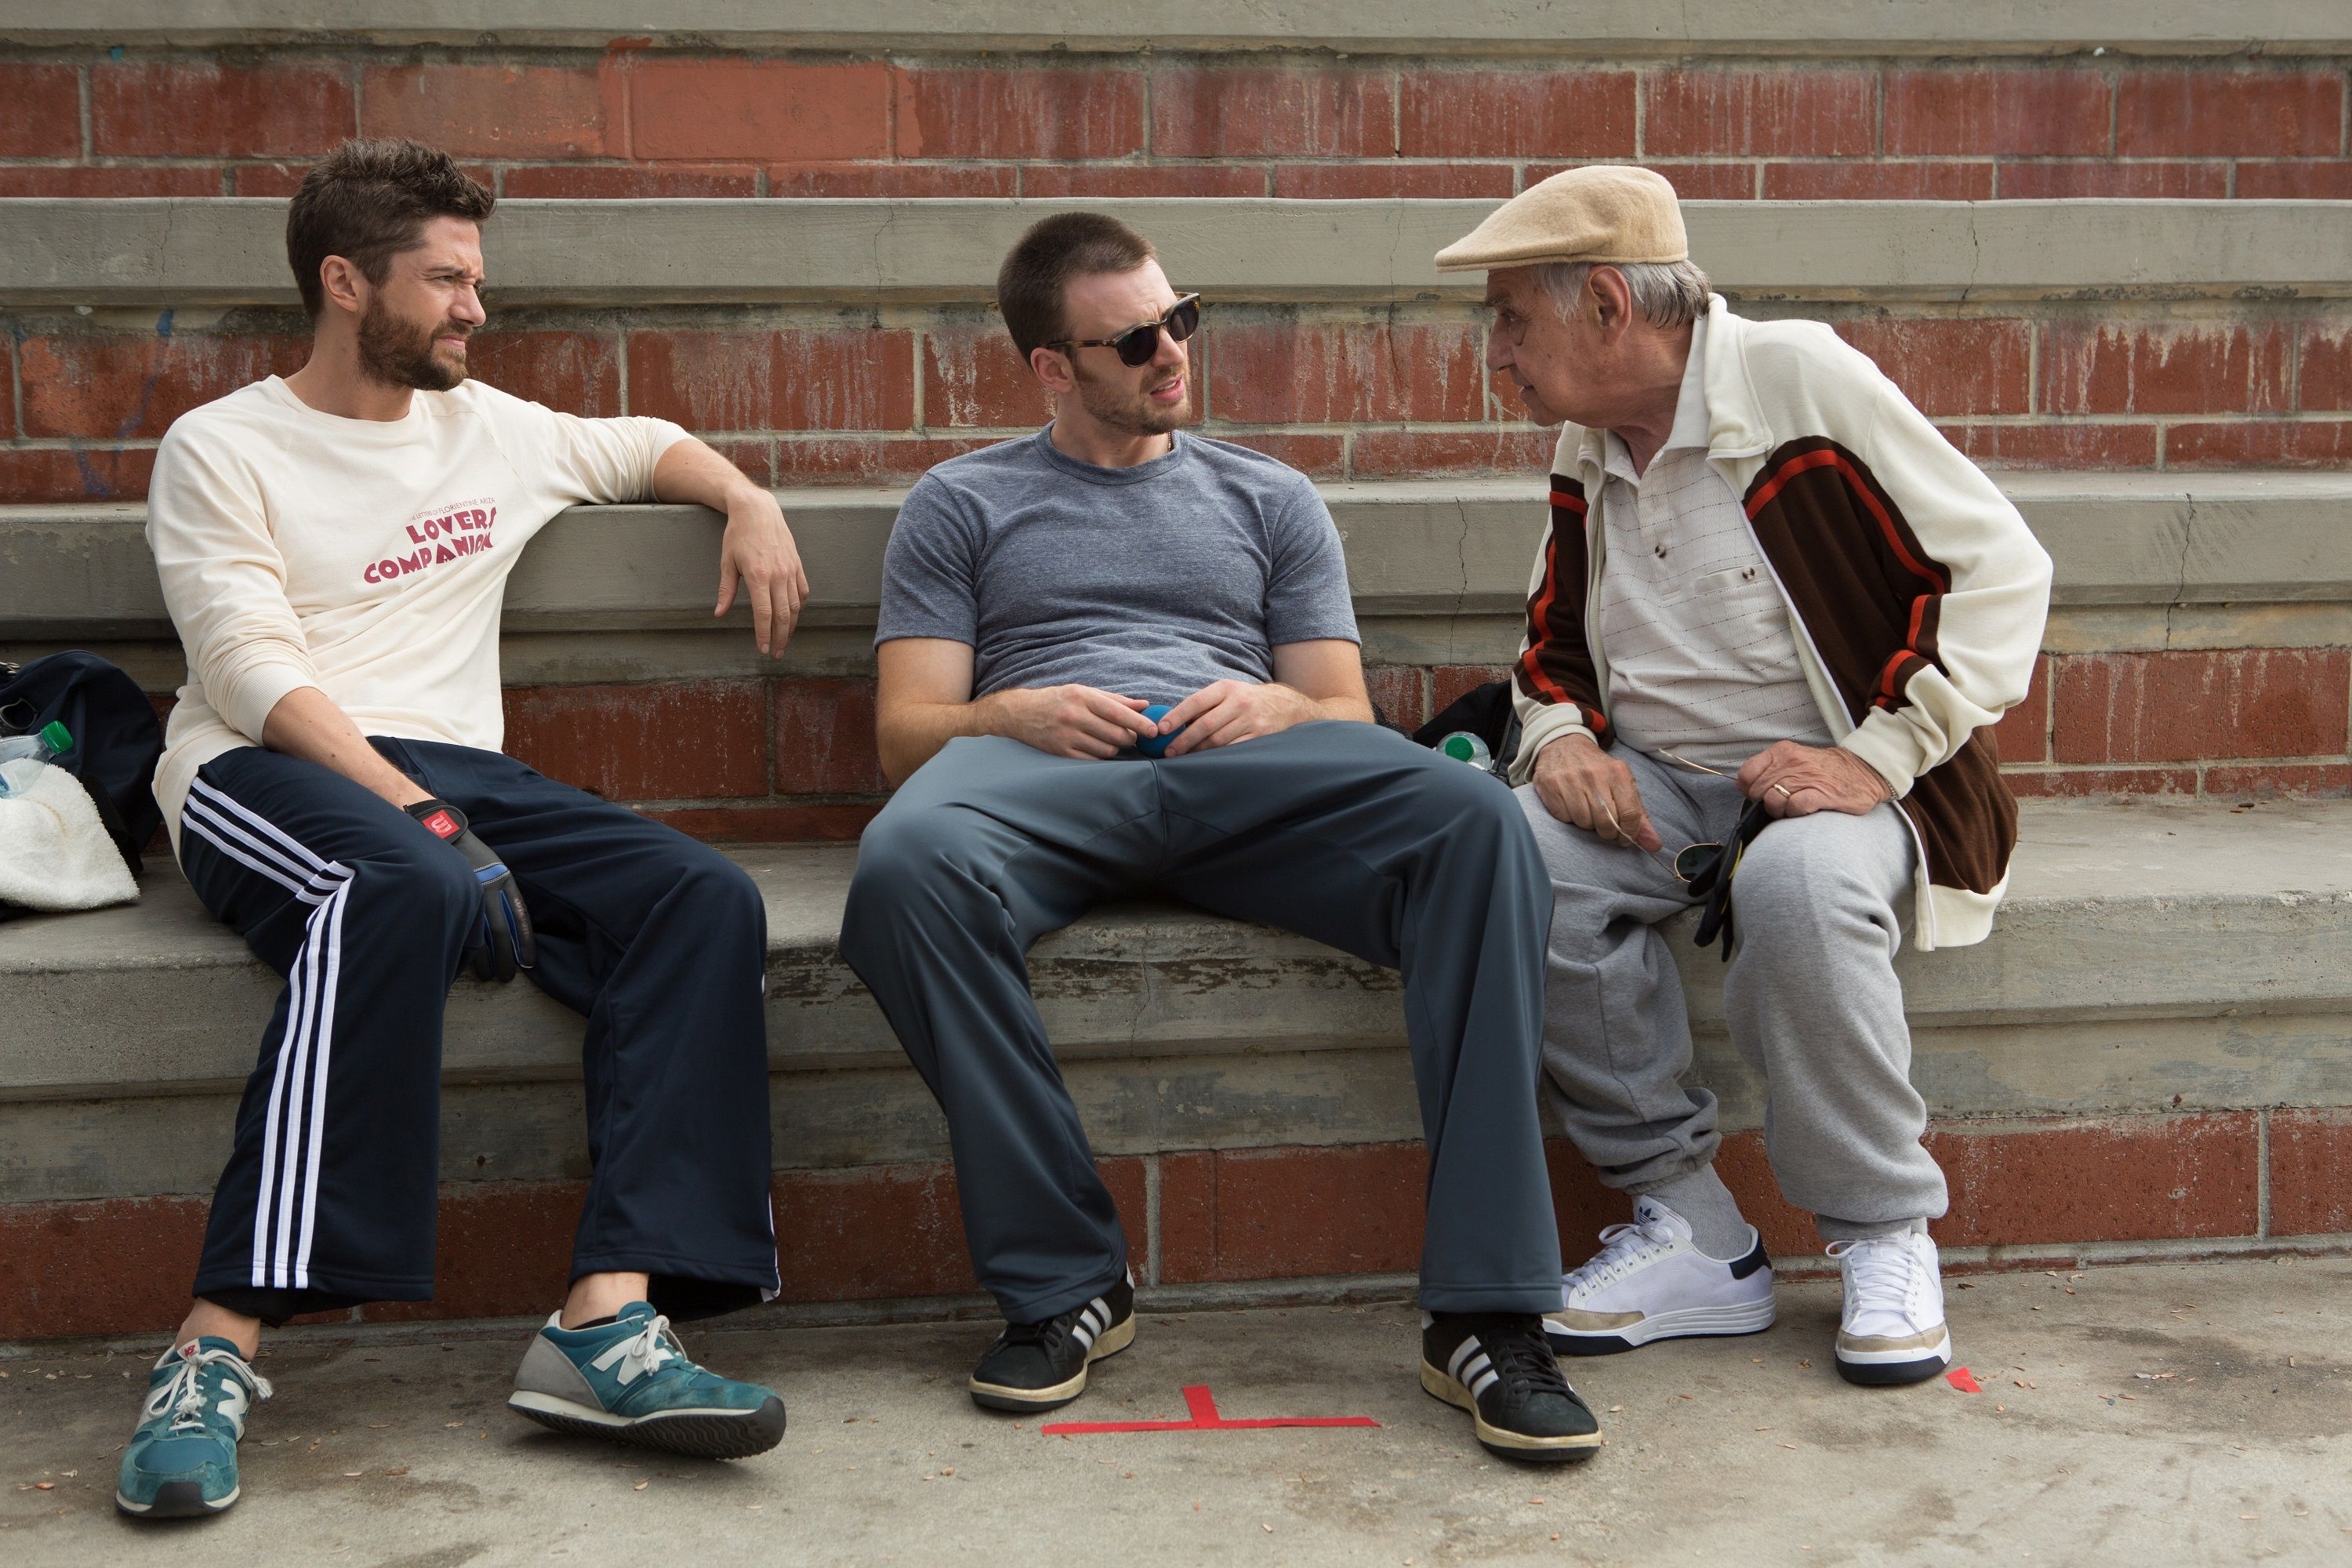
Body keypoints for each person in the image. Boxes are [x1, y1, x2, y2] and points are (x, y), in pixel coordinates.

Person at [837, 212, 1597, 1463]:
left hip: (1245, 772)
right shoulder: (961, 502)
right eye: (1135, 340)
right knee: (906, 866)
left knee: (1472, 819)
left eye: (1180, 319)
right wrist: (1011, 713)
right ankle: (1067, 1281)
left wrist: (1279, 705)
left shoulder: (1268, 496)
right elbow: (908, 739)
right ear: (1051, 367)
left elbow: (1342, 711)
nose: (1173, 353)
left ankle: (1488, 1312)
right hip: (1046, 774)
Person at [118, 139, 806, 1519]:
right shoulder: (223, 445)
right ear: (344, 282)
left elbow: (639, 444)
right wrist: (415, 810)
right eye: (445, 281)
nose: (474, 310)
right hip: (265, 763)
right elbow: (248, 667)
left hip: (460, 776)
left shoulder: (489, 426)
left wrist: (746, 496)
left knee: (702, 899)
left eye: (476, 280)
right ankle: (212, 1347)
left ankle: (606, 1318)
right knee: (401, 891)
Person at [1435, 166, 2051, 1387]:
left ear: (1607, 304)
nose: (1494, 352)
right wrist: (1560, 742)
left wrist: (1876, 755)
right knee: (1516, 857)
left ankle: (1884, 1233)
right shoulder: (1589, 440)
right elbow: (1551, 643)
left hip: (1851, 776)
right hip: (1663, 780)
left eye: (1511, 319)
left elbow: (2003, 569)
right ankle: (1698, 1234)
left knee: (1798, 886)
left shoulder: (1793, 379)